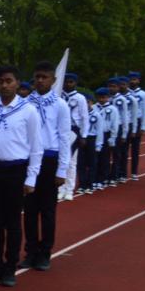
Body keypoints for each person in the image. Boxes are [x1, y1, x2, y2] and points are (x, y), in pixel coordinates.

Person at [0, 66, 42, 288]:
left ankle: (10, 267)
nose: (4, 85)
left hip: (16, 170)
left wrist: (31, 177)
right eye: (0, 81)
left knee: (13, 221)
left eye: (8, 81)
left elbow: (36, 146)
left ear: (17, 83)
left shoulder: (28, 110)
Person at [21, 61, 70, 272]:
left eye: (44, 77)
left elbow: (65, 137)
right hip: (29, 160)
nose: (40, 81)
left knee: (48, 210)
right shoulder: (25, 103)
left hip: (50, 159)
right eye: (37, 77)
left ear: (53, 80)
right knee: (29, 209)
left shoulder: (60, 105)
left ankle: (45, 252)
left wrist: (62, 169)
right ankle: (31, 250)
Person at [60, 73, 88, 201]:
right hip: (60, 129)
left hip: (73, 130)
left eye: (71, 82)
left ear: (75, 83)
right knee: (60, 161)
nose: (68, 84)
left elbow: (84, 117)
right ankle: (60, 188)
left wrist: (84, 135)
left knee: (71, 161)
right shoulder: (58, 95)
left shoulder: (80, 98)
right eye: (66, 81)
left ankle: (69, 189)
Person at [77, 93, 104, 195]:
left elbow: (100, 131)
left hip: (92, 139)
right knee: (81, 163)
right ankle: (82, 184)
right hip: (81, 139)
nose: (85, 104)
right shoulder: (79, 114)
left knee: (92, 163)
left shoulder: (97, 115)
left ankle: (90, 184)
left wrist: (98, 145)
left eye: (87, 102)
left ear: (91, 102)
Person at [94, 87, 119, 191]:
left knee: (104, 158)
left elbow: (114, 124)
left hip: (106, 134)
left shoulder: (113, 109)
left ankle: (102, 179)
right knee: (95, 158)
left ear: (108, 97)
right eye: (99, 97)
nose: (101, 99)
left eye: (103, 97)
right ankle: (94, 179)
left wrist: (112, 138)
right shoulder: (94, 107)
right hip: (95, 135)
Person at [107, 77, 130, 186]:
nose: (112, 88)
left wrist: (124, 133)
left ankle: (114, 176)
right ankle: (105, 175)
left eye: (114, 86)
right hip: (107, 128)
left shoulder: (122, 99)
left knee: (116, 154)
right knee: (105, 154)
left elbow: (125, 117)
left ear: (118, 88)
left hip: (118, 128)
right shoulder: (106, 98)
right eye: (110, 86)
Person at [127, 71, 145, 180]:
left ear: (138, 81)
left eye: (134, 79)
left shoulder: (143, 94)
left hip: (138, 121)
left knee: (135, 149)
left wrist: (143, 126)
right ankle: (121, 172)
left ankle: (134, 172)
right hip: (127, 122)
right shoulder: (125, 92)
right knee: (123, 148)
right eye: (131, 79)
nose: (132, 81)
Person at [117, 76, 138, 183]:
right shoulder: (114, 97)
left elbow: (134, 115)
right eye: (120, 84)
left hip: (126, 125)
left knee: (124, 151)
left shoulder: (132, 99)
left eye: (124, 84)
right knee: (115, 152)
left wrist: (133, 130)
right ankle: (115, 173)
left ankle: (123, 173)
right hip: (115, 126)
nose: (122, 86)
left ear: (127, 85)